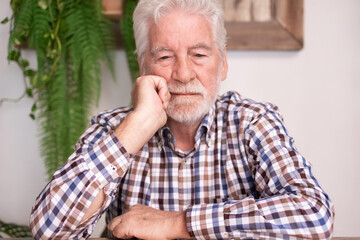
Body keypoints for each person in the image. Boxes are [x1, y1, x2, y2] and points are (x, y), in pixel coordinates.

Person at [30, 0, 334, 239]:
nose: (184, 74)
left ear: (223, 63)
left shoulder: (252, 122)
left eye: (199, 55)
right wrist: (138, 125)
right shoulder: (115, 129)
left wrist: (178, 223)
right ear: (143, 65)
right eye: (164, 57)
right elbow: (49, 230)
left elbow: (314, 215)